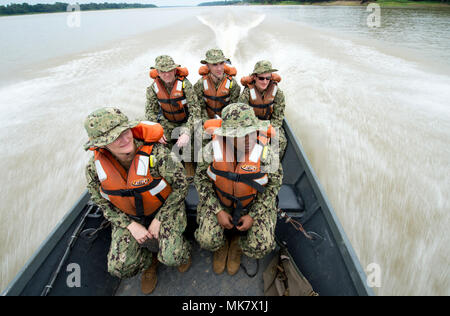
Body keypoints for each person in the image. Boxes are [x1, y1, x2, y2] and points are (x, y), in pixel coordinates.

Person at [84, 107, 191, 295]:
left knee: (173, 256)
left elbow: (181, 186)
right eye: (115, 138)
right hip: (128, 216)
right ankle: (149, 263)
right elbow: (101, 202)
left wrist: (160, 219)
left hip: (164, 209)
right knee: (119, 268)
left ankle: (182, 250)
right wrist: (129, 225)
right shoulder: (95, 169)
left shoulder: (156, 154)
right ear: (101, 144)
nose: (125, 140)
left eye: (125, 132)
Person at [194, 103, 283, 276]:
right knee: (206, 240)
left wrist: (253, 215)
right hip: (221, 201)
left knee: (261, 246)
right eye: (241, 135)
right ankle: (221, 245)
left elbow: (273, 187)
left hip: (252, 203)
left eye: (251, 132)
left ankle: (237, 245)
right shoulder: (211, 151)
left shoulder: (267, 154)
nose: (249, 138)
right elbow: (201, 181)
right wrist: (217, 210)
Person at [145, 55, 200, 176]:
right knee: (160, 147)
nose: (167, 74)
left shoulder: (185, 85)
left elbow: (195, 111)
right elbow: (150, 112)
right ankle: (171, 174)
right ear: (157, 72)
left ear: (175, 70)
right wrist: (157, 132)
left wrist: (187, 132)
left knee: (190, 146)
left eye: (170, 70)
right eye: (163, 72)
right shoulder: (152, 89)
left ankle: (190, 175)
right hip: (167, 122)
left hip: (186, 121)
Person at [239, 60, 287, 158]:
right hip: (251, 125)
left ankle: (272, 166)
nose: (265, 81)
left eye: (268, 78)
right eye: (261, 78)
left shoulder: (277, 93)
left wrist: (269, 130)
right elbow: (242, 117)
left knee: (281, 141)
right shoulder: (247, 93)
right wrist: (259, 128)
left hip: (269, 124)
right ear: (255, 77)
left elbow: (278, 116)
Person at [194, 48, 241, 121]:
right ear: (208, 66)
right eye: (214, 64)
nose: (219, 68)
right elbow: (199, 108)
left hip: (226, 122)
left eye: (221, 63)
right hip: (207, 121)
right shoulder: (200, 84)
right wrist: (207, 123)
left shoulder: (233, 84)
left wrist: (224, 123)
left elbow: (234, 109)